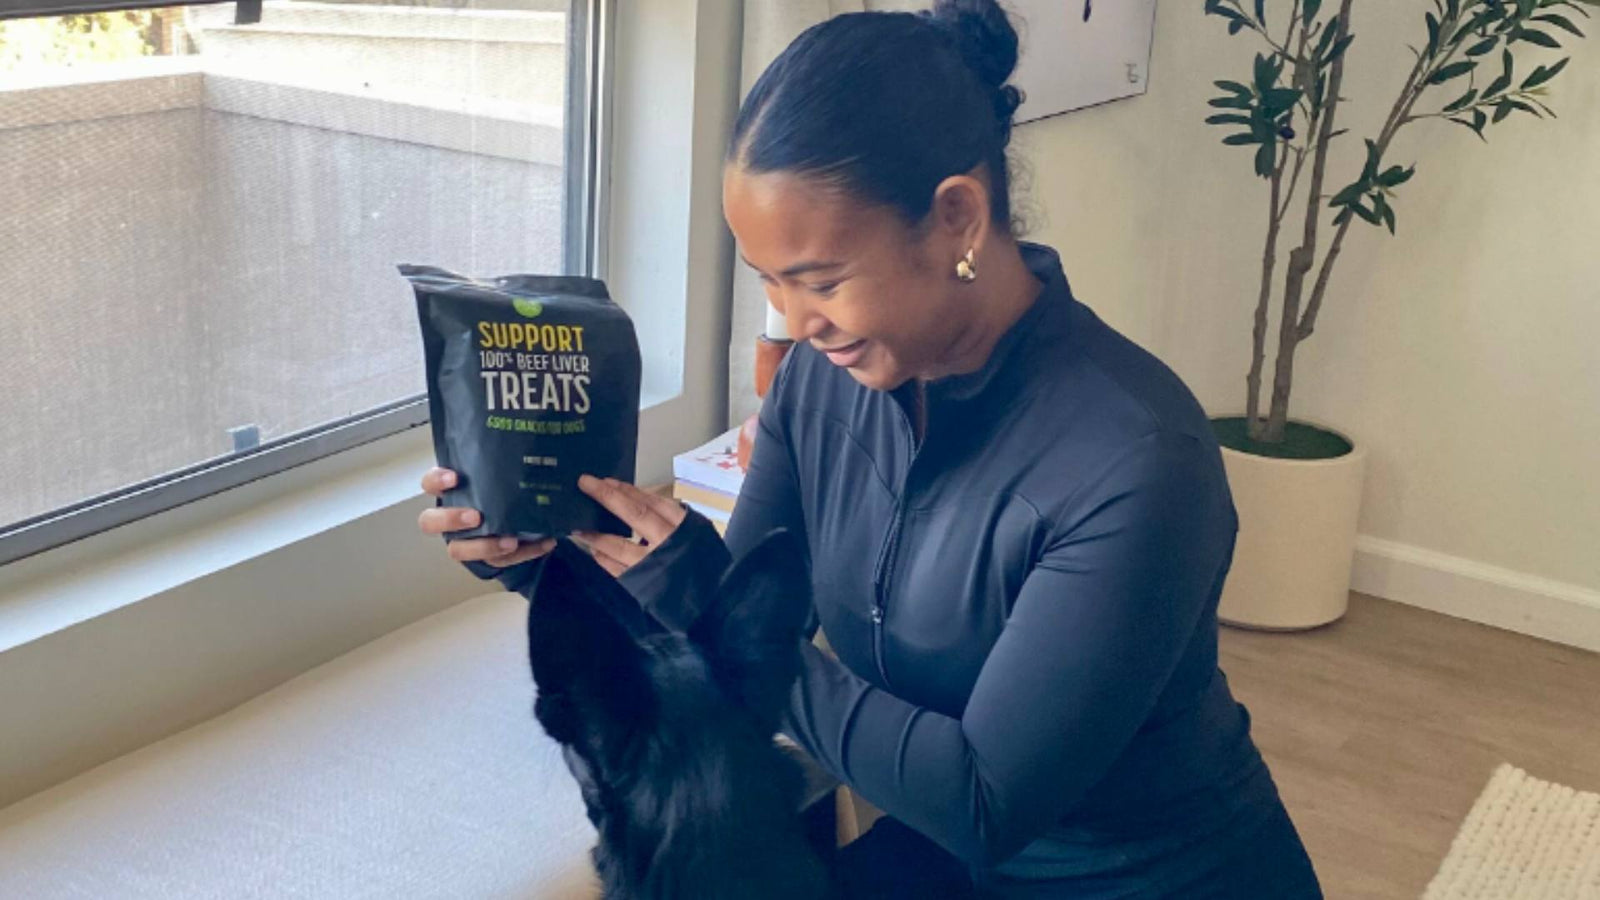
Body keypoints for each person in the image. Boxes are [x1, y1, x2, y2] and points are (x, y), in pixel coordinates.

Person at [419, 1, 1325, 896]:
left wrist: (700, 594)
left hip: (1143, 876)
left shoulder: (1136, 462)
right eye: (771, 281)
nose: (793, 321)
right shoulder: (827, 382)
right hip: (953, 862)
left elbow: (984, 798)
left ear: (958, 218)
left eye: (819, 281)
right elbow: (733, 642)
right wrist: (538, 558)